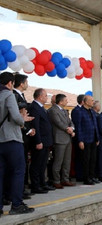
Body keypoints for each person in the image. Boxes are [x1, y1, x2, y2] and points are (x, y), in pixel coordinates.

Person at [0, 72, 34, 215]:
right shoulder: (9, 95)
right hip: (11, 139)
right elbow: (16, 117)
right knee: (18, 171)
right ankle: (17, 204)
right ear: (10, 83)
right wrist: (23, 119)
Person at [13, 73, 35, 199]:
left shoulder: (20, 96)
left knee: (23, 163)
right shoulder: (14, 96)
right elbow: (17, 117)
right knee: (17, 165)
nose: (27, 84)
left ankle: (21, 189)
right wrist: (27, 130)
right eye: (26, 82)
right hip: (17, 134)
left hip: (24, 133)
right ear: (21, 83)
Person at [28, 88, 55, 194]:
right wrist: (38, 141)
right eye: (45, 96)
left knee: (43, 164)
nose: (46, 97)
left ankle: (42, 183)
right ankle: (35, 185)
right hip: (40, 141)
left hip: (46, 140)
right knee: (36, 164)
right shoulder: (34, 107)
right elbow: (36, 126)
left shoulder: (42, 107)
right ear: (39, 96)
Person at [47, 94, 75, 189]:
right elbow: (58, 122)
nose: (67, 102)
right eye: (66, 100)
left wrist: (72, 128)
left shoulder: (64, 111)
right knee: (58, 161)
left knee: (67, 161)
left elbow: (70, 121)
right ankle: (56, 180)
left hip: (67, 138)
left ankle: (65, 179)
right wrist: (68, 129)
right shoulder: (52, 110)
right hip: (59, 139)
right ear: (61, 101)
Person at [75, 95, 99, 185]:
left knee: (93, 159)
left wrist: (97, 138)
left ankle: (92, 177)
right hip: (85, 139)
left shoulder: (92, 111)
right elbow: (79, 127)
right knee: (86, 159)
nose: (93, 102)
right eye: (91, 100)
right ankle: (86, 178)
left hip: (93, 139)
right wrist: (80, 140)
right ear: (85, 102)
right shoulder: (79, 111)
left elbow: (95, 125)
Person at [71, 94, 84, 182]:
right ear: (83, 101)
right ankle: (79, 175)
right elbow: (78, 126)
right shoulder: (76, 110)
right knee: (79, 157)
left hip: (84, 137)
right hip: (79, 137)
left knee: (83, 157)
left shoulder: (83, 110)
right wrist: (80, 139)